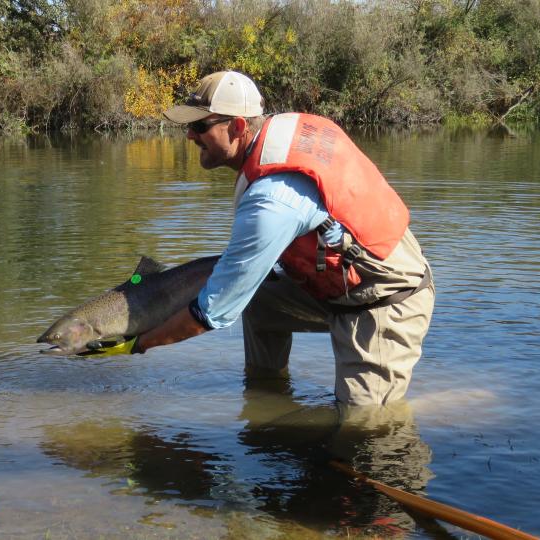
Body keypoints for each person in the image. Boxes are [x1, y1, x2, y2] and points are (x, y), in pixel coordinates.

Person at [106, 71, 435, 406]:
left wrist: (138, 344)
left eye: (201, 126)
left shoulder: (270, 201)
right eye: (189, 126)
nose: (190, 135)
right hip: (340, 284)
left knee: (364, 433)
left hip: (384, 299)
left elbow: (213, 312)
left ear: (236, 127)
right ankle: (267, 399)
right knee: (259, 299)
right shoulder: (274, 138)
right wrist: (138, 285)